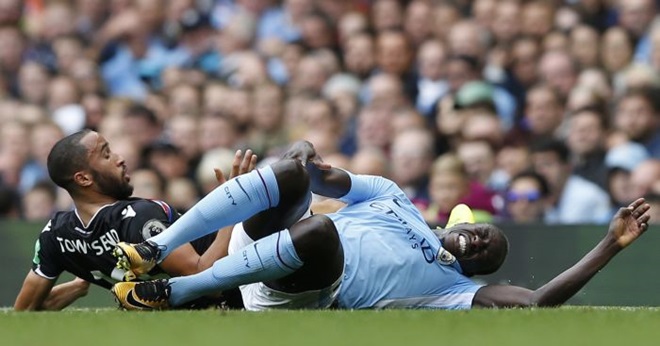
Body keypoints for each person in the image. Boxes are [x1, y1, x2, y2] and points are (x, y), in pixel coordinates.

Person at [111, 140, 650, 310]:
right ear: (462, 223)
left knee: (321, 233)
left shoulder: (452, 288)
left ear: (475, 267)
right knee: (292, 168)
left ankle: (176, 291)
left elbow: (537, 303)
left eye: (488, 253)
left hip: (303, 286)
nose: (483, 243)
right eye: (487, 233)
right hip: (269, 241)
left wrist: (610, 243)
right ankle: (158, 247)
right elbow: (324, 177)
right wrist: (305, 159)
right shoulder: (393, 196)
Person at [13, 130, 257, 311]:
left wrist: (78, 286)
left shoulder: (56, 234)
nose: (120, 158)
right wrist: (233, 209)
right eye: (106, 154)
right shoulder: (139, 216)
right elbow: (204, 276)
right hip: (241, 300)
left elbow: (23, 312)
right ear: (84, 179)